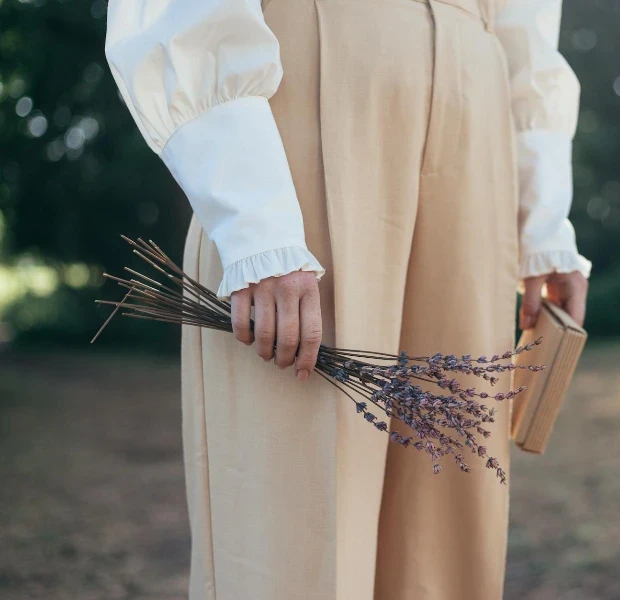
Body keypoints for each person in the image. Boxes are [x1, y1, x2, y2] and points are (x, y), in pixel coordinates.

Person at [105, 0, 590, 597]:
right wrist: (256, 219)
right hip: (305, 77)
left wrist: (543, 224)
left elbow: (529, 25)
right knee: (296, 535)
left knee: (450, 533)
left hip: (481, 107)